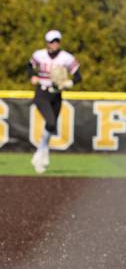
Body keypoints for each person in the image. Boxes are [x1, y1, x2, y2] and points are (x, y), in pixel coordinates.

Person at [28, 29, 81, 174]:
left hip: (57, 94)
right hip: (42, 93)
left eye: (57, 41)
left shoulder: (66, 57)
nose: (55, 44)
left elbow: (78, 75)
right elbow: (29, 66)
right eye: (52, 41)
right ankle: (40, 153)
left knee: (51, 127)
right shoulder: (39, 55)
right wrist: (32, 76)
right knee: (50, 122)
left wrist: (69, 83)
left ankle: (43, 153)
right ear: (47, 43)